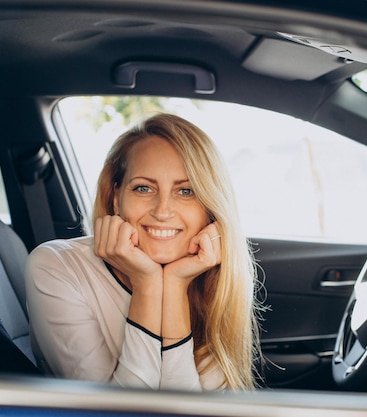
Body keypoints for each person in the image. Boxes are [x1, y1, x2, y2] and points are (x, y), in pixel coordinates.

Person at [25, 113, 262, 391]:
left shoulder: (214, 276)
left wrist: (174, 285)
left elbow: (192, 411)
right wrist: (147, 284)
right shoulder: (57, 266)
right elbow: (112, 414)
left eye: (186, 191)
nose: (162, 211)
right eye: (143, 188)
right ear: (115, 196)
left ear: (210, 207)